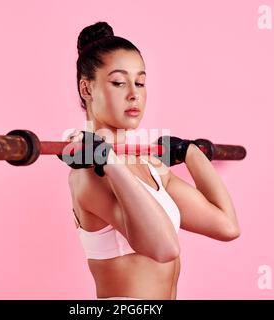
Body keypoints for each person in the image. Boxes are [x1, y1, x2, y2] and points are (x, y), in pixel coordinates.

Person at [59, 21, 241, 300]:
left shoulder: (149, 166)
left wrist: (190, 153)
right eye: (119, 82)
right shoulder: (88, 176)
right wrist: (109, 162)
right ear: (87, 89)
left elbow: (226, 226)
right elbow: (164, 247)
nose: (134, 93)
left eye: (140, 82)